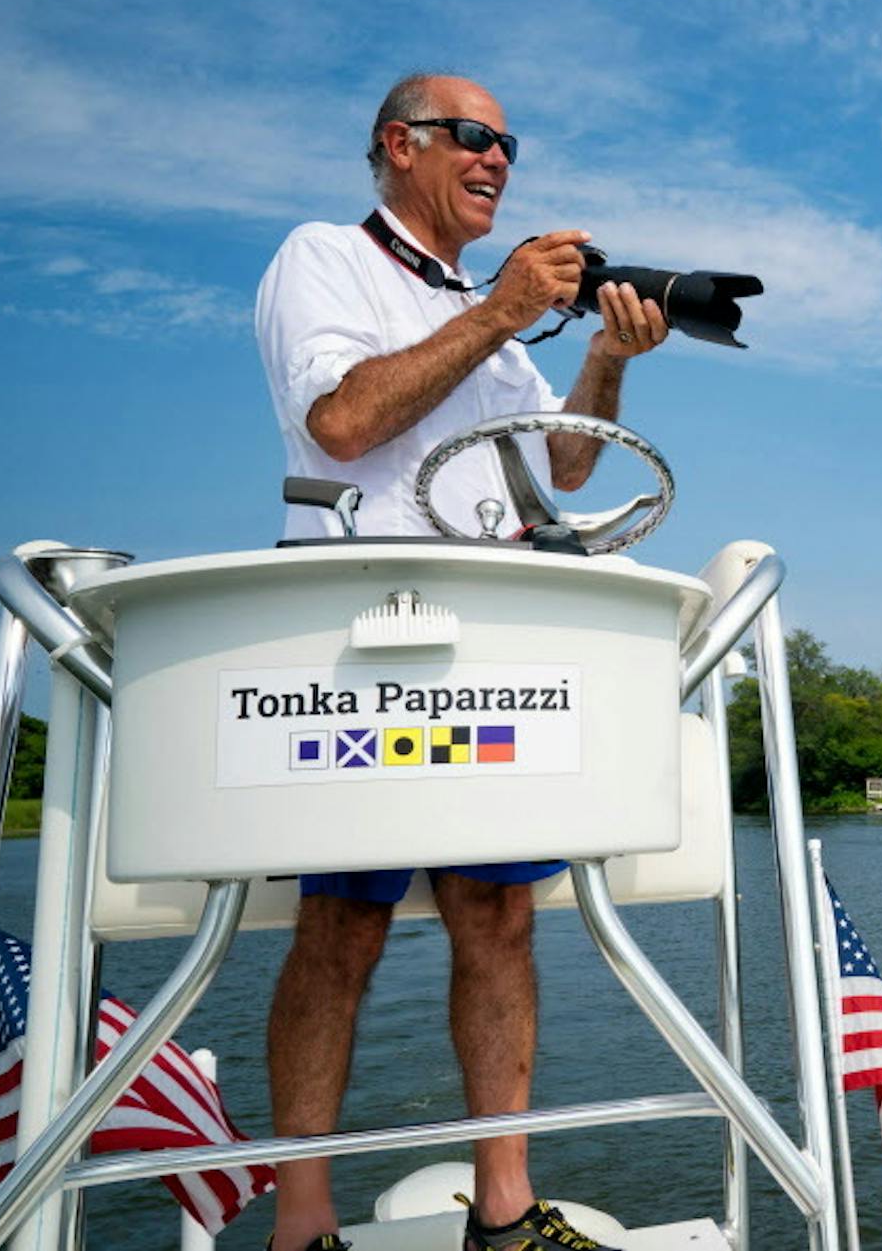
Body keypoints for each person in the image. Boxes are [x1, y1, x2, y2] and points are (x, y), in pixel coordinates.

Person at [253, 72, 666, 1251]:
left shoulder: (479, 312)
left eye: (508, 145)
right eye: (474, 138)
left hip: (493, 647)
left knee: (499, 913)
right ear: (398, 145)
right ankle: (304, 1227)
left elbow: (568, 468)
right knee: (342, 928)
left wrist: (609, 353)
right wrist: (498, 308)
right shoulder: (326, 257)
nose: (498, 161)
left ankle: (505, 1209)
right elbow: (340, 420)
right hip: (355, 645)